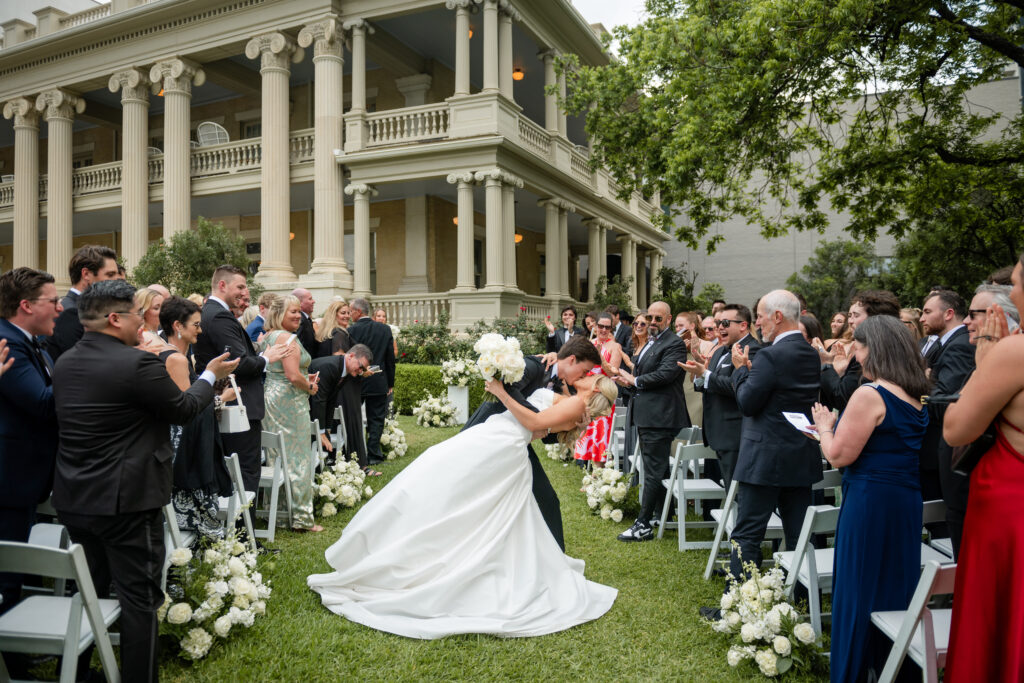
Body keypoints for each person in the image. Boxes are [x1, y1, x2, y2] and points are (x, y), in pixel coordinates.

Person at [307, 372, 619, 639]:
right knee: (447, 487)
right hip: (497, 439)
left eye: (593, 375)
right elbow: (539, 428)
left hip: (499, 446)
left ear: (594, 388)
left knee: (448, 488)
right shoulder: (570, 400)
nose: (589, 373)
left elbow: (534, 420)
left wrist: (501, 392)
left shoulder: (578, 404)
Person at [52, 280, 237, 682]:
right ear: (114, 318)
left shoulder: (65, 362)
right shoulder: (136, 364)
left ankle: (79, 672)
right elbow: (185, 409)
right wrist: (208, 374)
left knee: (90, 589)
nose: (144, 324)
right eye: (138, 316)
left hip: (76, 497)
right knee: (140, 598)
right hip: (129, 500)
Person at [810, 316, 930, 682]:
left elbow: (839, 456)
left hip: (869, 500)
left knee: (858, 585)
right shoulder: (914, 393)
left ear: (874, 348)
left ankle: (851, 672)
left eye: (858, 348)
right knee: (896, 582)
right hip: (905, 500)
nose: (855, 356)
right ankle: (894, 667)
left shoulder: (870, 394)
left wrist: (825, 428)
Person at [943, 259, 1024, 682]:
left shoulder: (1015, 351)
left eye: (1014, 285)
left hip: (1010, 512)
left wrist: (986, 361)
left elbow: (957, 429)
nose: (1011, 296)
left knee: (999, 621)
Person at [462, 335, 601, 550]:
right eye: (584, 371)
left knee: (546, 500)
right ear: (572, 359)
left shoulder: (561, 387)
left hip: (516, 444)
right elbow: (505, 389)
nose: (584, 376)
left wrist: (572, 426)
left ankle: (555, 558)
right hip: (486, 434)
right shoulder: (533, 366)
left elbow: (546, 435)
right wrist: (538, 422)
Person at [723, 290, 822, 581]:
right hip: (799, 454)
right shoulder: (810, 354)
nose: (758, 325)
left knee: (748, 531)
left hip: (764, 456)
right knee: (798, 533)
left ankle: (739, 601)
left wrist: (741, 372)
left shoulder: (770, 356)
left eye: (761, 318)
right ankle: (801, 596)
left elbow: (747, 402)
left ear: (777, 317)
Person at [193, 265, 292, 494]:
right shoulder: (219, 316)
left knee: (232, 471)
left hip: (225, 402)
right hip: (238, 406)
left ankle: (235, 525)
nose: (244, 292)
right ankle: (244, 528)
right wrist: (266, 358)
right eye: (240, 286)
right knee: (245, 471)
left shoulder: (210, 313)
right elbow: (239, 362)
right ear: (222, 285)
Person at [0, 268, 61, 614]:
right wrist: (83, 373)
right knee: (7, 571)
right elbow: (41, 403)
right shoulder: (6, 342)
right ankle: (10, 656)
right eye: (52, 301)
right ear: (25, 305)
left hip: (27, 476)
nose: (60, 308)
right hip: (10, 476)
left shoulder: (31, 341)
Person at [614, 301, 691, 542]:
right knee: (653, 467)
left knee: (654, 470)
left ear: (669, 320)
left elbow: (667, 374)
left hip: (661, 416)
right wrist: (630, 380)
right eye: (650, 318)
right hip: (647, 413)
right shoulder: (651, 341)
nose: (653, 322)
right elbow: (643, 371)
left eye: (659, 319)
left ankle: (643, 524)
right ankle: (661, 514)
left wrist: (635, 381)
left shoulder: (675, 343)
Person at [159, 296, 234, 540]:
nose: (200, 331)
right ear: (177, 326)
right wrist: (221, 398)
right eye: (196, 325)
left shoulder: (178, 356)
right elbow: (187, 412)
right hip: (185, 450)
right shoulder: (176, 359)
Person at [260, 295, 322, 532]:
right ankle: (301, 518)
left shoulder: (270, 336)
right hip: (289, 401)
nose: (297, 316)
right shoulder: (287, 338)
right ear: (279, 314)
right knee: (297, 457)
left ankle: (280, 514)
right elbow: (292, 375)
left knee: (279, 455)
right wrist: (310, 387)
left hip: (273, 398)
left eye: (298, 311)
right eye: (292, 312)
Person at [919, 289, 974, 553]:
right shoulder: (945, 344)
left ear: (949, 313)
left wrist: (924, 383)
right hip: (936, 450)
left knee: (947, 528)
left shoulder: (961, 345)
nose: (921, 318)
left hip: (944, 448)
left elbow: (945, 403)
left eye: (928, 312)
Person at [683, 303, 760, 490]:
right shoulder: (721, 351)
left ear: (743, 325)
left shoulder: (753, 350)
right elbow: (710, 384)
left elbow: (737, 386)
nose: (719, 328)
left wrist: (706, 374)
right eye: (718, 323)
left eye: (725, 323)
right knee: (729, 489)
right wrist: (700, 375)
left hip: (735, 433)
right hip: (718, 432)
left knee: (738, 492)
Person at [815, 290, 900, 411]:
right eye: (849, 316)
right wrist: (840, 374)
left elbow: (843, 399)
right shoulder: (899, 348)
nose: (850, 321)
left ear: (874, 318)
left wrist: (827, 365)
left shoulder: (868, 354)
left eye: (856, 315)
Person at [46, 244, 118, 360]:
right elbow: (84, 362)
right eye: (110, 275)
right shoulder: (71, 313)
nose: (116, 280)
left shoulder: (88, 309)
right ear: (86, 274)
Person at [347, 298, 396, 466]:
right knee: (376, 418)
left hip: (356, 380)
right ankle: (374, 454)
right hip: (378, 379)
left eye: (351, 311)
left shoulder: (351, 330)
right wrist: (390, 382)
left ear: (359, 312)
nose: (350, 314)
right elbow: (390, 359)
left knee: (353, 417)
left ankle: (355, 452)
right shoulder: (384, 329)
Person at [309, 345, 373, 469]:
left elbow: (331, 400)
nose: (361, 371)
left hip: (315, 409)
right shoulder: (330, 367)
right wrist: (320, 432)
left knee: (324, 444)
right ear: (351, 356)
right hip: (305, 407)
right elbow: (320, 400)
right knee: (317, 443)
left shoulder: (345, 371)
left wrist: (327, 428)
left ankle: (319, 474)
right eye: (360, 367)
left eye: (364, 370)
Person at [573, 313, 622, 467]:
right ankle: (593, 475)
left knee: (601, 434)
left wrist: (600, 356)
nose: (603, 330)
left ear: (611, 328)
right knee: (587, 432)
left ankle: (598, 474)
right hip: (587, 394)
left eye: (607, 327)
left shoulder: (615, 347)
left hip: (603, 396)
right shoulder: (588, 343)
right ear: (595, 326)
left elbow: (612, 373)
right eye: (600, 326)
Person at [291, 288, 319, 358]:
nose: (313, 301)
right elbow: (298, 346)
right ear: (299, 303)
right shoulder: (300, 320)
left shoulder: (305, 319)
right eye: (310, 299)